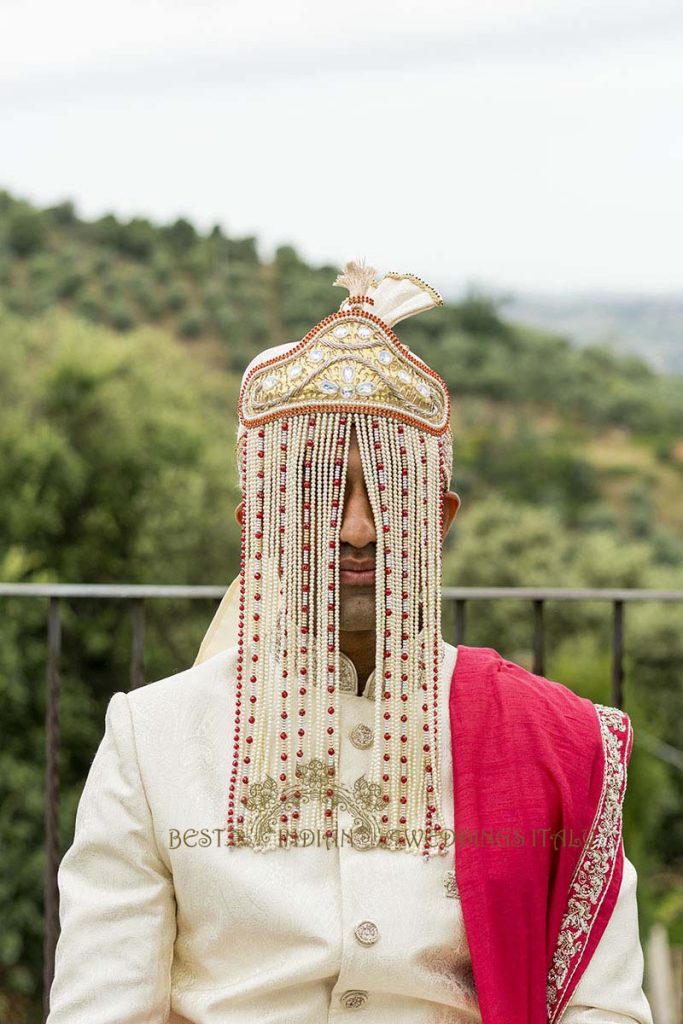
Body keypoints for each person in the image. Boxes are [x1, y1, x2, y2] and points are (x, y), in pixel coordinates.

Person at [47, 261, 654, 1023]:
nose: (356, 530)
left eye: (387, 494)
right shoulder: (152, 737)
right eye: (317, 494)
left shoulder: (557, 742)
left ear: (440, 518)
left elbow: (606, 1011)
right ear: (256, 524)